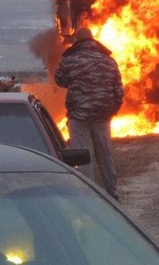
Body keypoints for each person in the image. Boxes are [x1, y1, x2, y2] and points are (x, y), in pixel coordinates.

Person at [53, 27, 124, 199]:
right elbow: (118, 91)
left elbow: (59, 80)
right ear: (93, 39)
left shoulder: (70, 59)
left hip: (79, 114)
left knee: (82, 154)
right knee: (105, 153)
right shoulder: (108, 60)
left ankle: (88, 194)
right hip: (103, 114)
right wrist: (112, 110)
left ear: (77, 40)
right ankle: (112, 192)